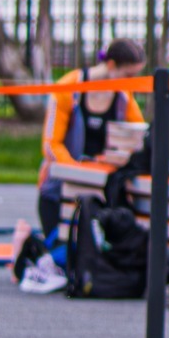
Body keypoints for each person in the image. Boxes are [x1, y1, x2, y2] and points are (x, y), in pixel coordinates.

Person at [36, 38, 151, 240]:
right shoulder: (68, 88)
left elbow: (138, 138)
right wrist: (78, 173)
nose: (132, 81)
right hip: (61, 188)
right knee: (60, 248)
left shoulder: (124, 97)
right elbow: (51, 144)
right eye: (129, 75)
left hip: (100, 191)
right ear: (112, 65)